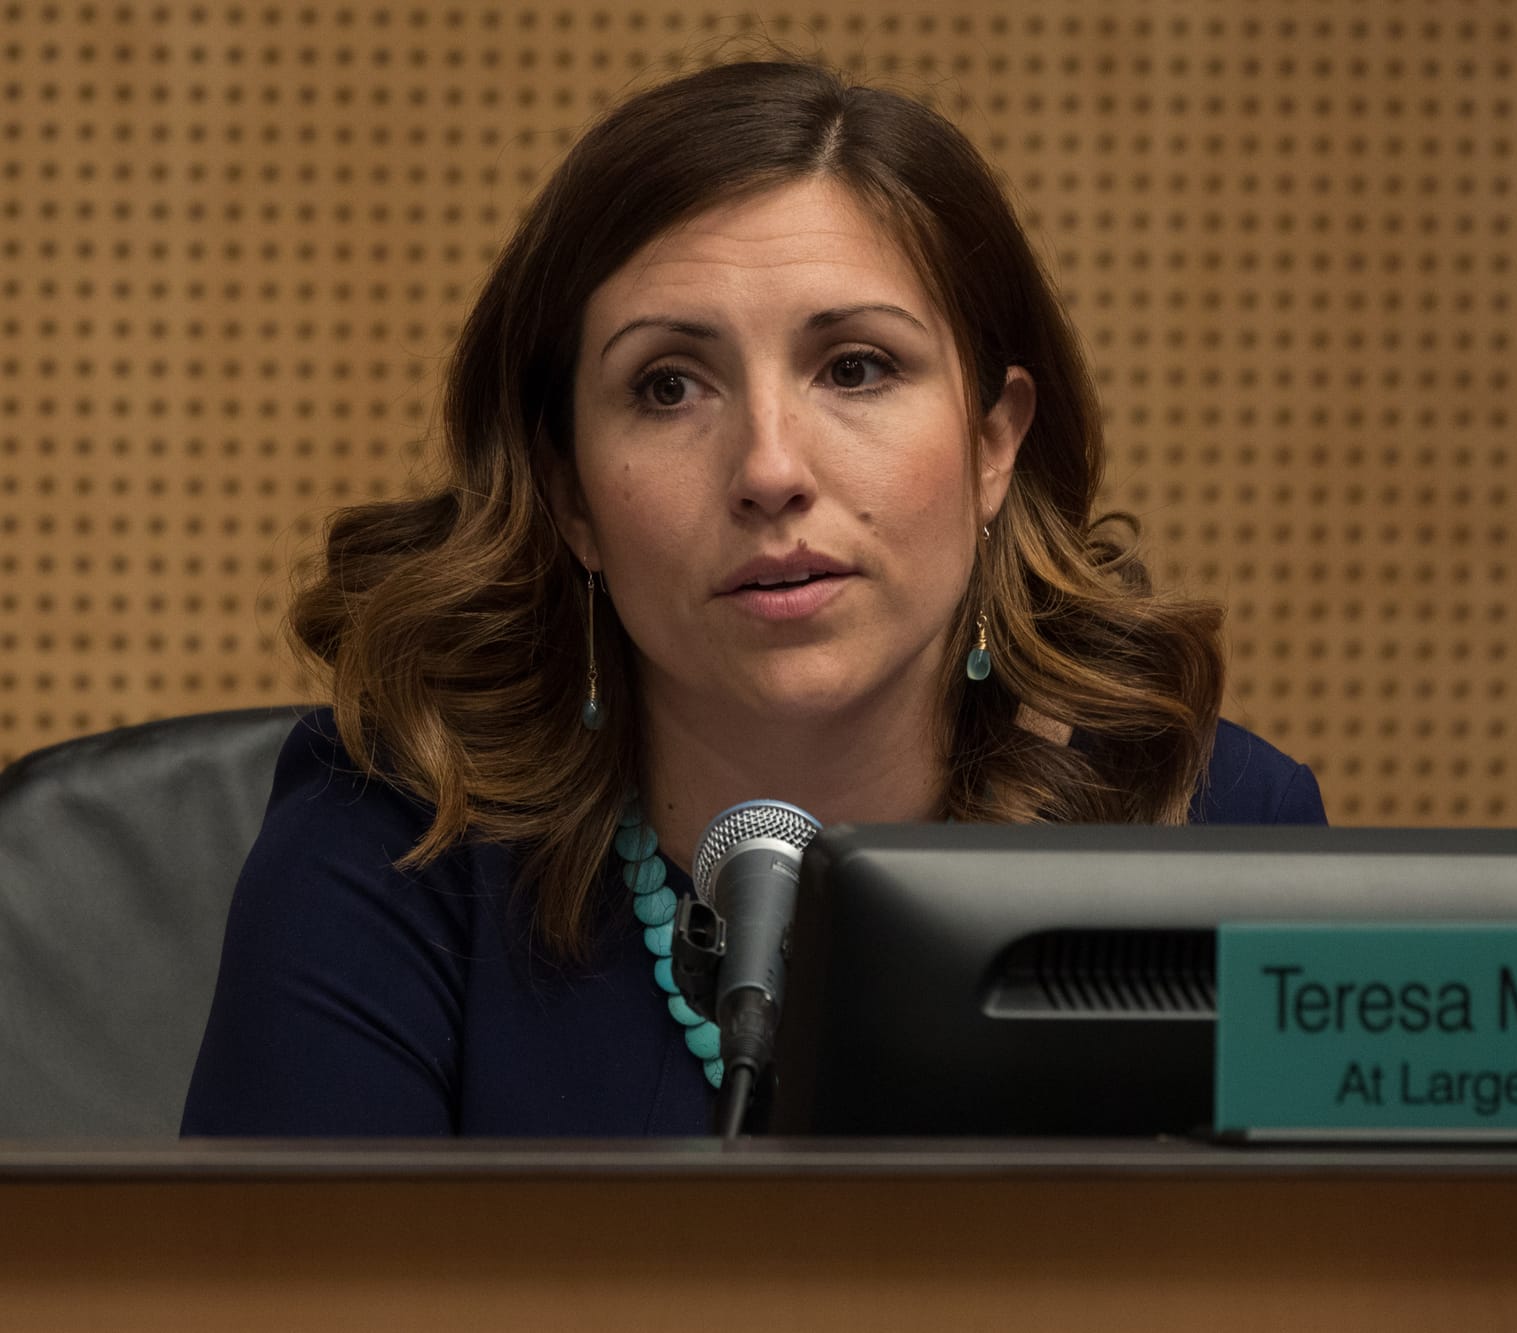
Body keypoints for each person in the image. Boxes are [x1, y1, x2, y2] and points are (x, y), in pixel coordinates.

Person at [180, 58, 1324, 1137]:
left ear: (991, 445)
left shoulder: (1207, 820)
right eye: (669, 386)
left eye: (855, 368)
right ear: (571, 493)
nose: (769, 468)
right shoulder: (395, 839)